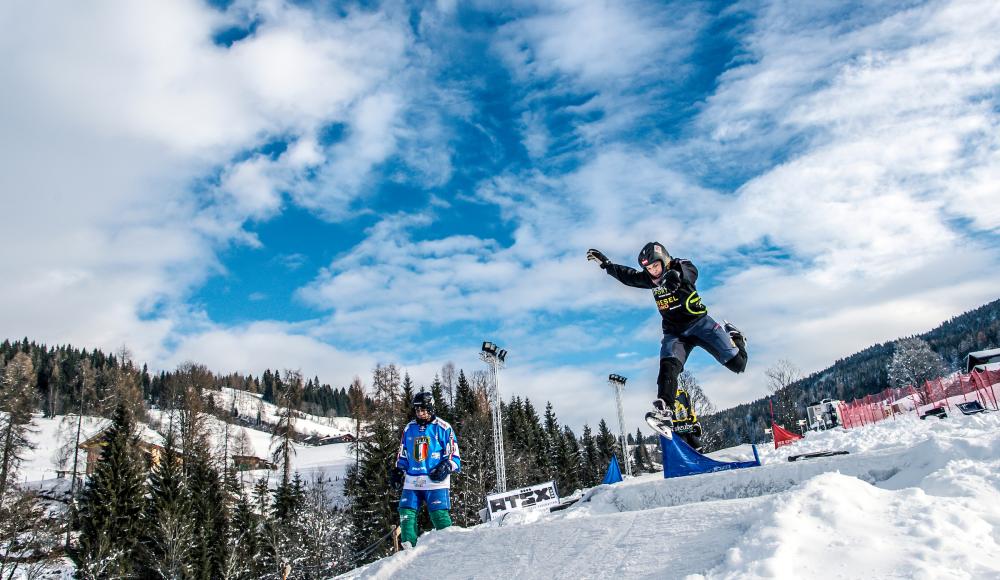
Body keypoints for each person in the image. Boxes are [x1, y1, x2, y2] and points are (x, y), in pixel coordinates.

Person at [587, 242, 748, 431]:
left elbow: (691, 271)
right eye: (648, 268)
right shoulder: (650, 279)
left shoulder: (679, 266)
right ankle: (665, 410)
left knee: (738, 365)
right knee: (668, 367)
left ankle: (736, 337)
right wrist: (606, 264)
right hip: (675, 333)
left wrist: (677, 275)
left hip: (700, 325)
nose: (653, 272)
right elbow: (628, 276)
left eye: (656, 266)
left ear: (665, 260)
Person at [390, 391, 461, 549]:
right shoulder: (409, 428)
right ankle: (409, 551)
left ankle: (451, 547)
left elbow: (455, 457)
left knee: (438, 516)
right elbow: (403, 455)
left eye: (423, 410)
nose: (420, 413)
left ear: (431, 408)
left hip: (435, 481)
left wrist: (447, 466)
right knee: (406, 514)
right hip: (412, 480)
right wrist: (398, 470)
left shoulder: (443, 428)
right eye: (417, 410)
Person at [672, 385, 703, 451]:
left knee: (698, 448)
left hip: (689, 427)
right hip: (677, 431)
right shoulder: (665, 398)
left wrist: (695, 423)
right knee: (684, 450)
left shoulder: (684, 394)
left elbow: (690, 409)